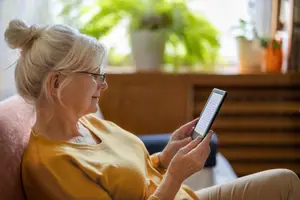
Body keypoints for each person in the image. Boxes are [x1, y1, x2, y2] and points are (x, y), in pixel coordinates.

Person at [4, 19, 299, 200]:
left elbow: (130, 177)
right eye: (95, 75)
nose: (103, 85)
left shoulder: (87, 123)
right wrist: (175, 177)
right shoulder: (50, 166)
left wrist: (165, 157)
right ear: (57, 84)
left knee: (286, 180)